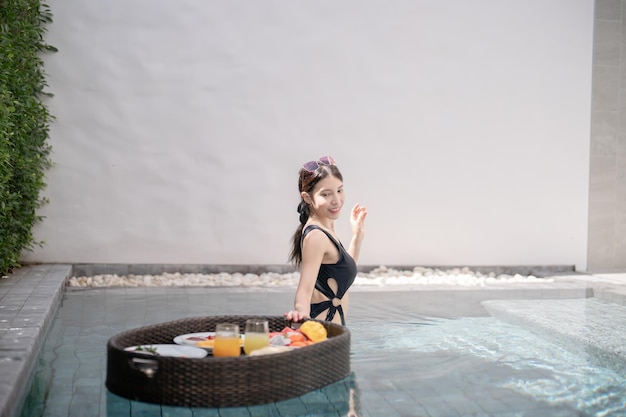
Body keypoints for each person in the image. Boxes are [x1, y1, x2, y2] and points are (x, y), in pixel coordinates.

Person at [284, 156, 367, 326]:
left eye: (339, 190)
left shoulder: (325, 229)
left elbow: (341, 275)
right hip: (321, 336)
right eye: (326, 194)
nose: (336, 200)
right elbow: (304, 292)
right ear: (307, 198)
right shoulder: (316, 237)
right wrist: (302, 320)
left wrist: (357, 237)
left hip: (332, 335)